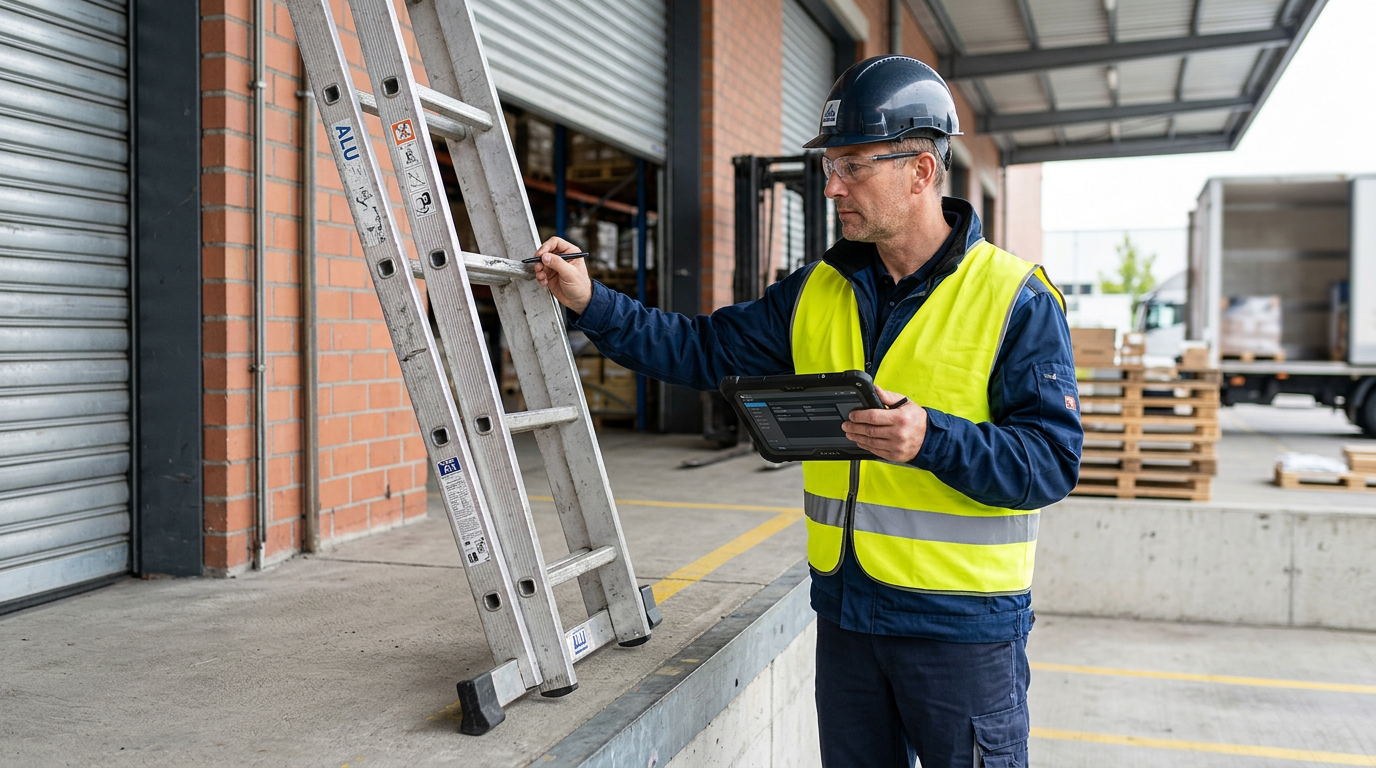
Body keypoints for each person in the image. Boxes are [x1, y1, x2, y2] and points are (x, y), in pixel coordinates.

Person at [532, 56, 1081, 768]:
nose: (832, 185)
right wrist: (590, 302)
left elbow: (1049, 463)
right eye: (829, 165)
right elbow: (702, 350)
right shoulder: (817, 289)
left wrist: (929, 438)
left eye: (852, 165)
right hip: (847, 616)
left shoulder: (1016, 299)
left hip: (961, 633)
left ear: (920, 170)